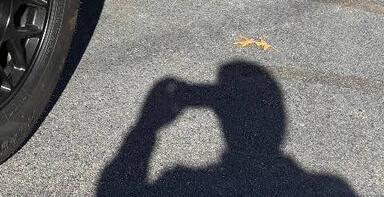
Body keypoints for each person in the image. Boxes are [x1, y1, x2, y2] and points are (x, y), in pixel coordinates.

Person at [97, 61, 357, 196]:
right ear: (278, 121)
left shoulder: (184, 185)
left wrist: (146, 126)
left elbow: (112, 191)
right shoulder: (330, 189)